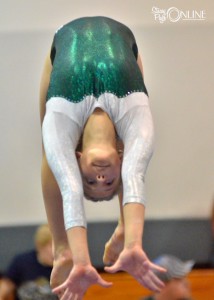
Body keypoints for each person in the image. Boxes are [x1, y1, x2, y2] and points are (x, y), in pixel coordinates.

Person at [40, 16, 165, 300]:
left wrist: (74, 257)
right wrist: (132, 240)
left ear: (77, 159)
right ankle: (124, 227)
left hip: (61, 46)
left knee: (49, 155)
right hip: (127, 45)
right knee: (135, 163)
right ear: (118, 163)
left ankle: (61, 249)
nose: (99, 178)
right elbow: (133, 177)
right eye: (108, 183)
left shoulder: (61, 123)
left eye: (90, 181)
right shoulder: (137, 127)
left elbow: (70, 191)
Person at [0, 224, 53, 300]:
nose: (56, 252)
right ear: (40, 245)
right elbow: (6, 285)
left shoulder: (67, 265)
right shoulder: (22, 262)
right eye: (51, 246)